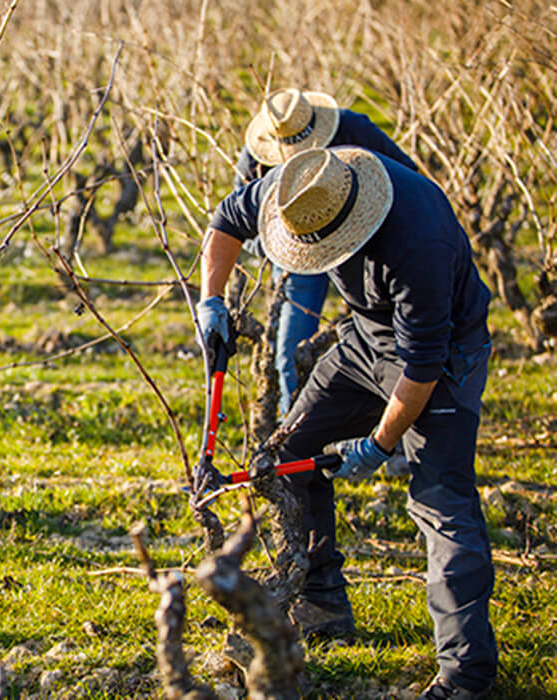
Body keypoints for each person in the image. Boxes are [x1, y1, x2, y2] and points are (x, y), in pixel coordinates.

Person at [196, 146, 496, 698]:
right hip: (363, 340)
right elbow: (224, 220)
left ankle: (466, 675)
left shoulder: (416, 242)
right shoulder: (299, 189)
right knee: (288, 454)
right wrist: (210, 302)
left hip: (444, 357)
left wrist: (380, 444)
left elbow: (422, 366)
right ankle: (323, 601)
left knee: (440, 502)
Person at [234, 88, 418, 417]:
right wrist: (281, 246)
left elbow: (409, 177)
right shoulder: (257, 153)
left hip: (364, 244)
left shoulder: (354, 131)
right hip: (300, 253)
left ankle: (399, 431)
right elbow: (237, 218)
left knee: (392, 341)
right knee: (290, 349)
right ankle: (292, 430)